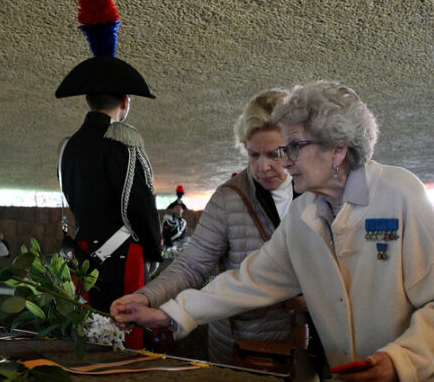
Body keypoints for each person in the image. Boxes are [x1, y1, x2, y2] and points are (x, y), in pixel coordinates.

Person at [114, 81, 434, 382]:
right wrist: (170, 313)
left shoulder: (400, 193)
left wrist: (399, 361)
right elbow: (248, 281)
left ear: (337, 148)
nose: (285, 162)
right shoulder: (304, 213)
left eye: (293, 148)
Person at [112, 89, 302, 366]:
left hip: (311, 341)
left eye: (275, 154)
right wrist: (146, 296)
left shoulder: (318, 189)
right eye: (253, 155)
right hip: (244, 346)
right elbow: (191, 265)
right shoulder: (229, 198)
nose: (263, 167)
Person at [54, 0, 162, 352]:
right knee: (125, 342)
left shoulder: (68, 146)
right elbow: (140, 204)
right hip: (122, 256)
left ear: (86, 100)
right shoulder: (124, 142)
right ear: (126, 101)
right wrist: (154, 249)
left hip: (82, 254)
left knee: (88, 336)